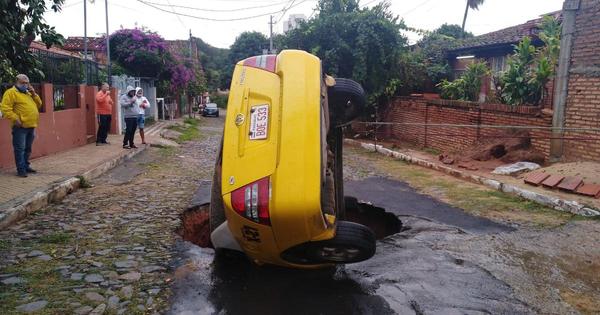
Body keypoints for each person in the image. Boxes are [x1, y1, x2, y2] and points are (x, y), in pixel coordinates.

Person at [0, 74, 43, 177]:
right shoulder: (10, 93)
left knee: (28, 148)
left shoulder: (28, 93)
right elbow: (5, 108)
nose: (25, 85)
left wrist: (34, 94)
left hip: (31, 125)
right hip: (20, 127)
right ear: (17, 82)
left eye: (26, 83)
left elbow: (39, 104)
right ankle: (21, 169)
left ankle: (26, 166)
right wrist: (15, 119)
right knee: (20, 149)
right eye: (22, 83)